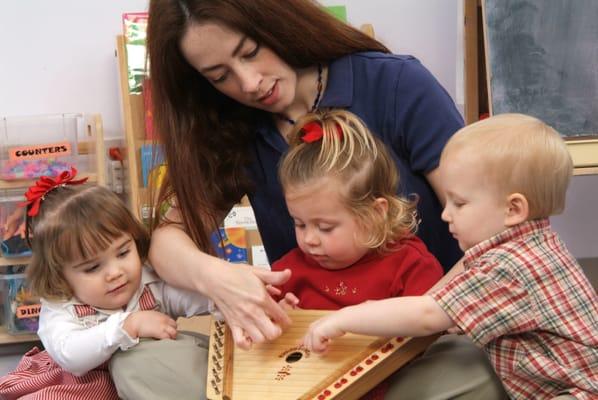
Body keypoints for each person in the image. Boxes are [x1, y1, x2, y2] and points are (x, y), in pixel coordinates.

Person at [146, 1, 508, 399]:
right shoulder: (231, 126)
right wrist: (217, 280)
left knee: (476, 368)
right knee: (141, 362)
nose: (248, 83)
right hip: (310, 358)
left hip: (425, 345)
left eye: (249, 52)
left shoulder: (397, 85)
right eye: (220, 76)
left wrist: (414, 319)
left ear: (278, 20)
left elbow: (498, 239)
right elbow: (165, 242)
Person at [303, 114, 598, 400]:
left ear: (513, 210)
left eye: (459, 203)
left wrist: (345, 318)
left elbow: (427, 314)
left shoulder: (505, 267)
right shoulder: (533, 242)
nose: (446, 214)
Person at [0, 169, 210, 400]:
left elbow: (189, 296)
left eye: (123, 252)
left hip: (147, 376)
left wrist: (222, 297)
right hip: (81, 383)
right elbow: (71, 356)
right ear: (60, 276)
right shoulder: (61, 307)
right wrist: (127, 326)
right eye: (92, 268)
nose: (115, 273)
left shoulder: (147, 283)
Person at [272, 110, 443, 312]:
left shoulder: (411, 267)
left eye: (325, 227)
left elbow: (428, 329)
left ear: (375, 214)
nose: (309, 239)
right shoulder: (286, 274)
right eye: (299, 224)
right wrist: (281, 319)